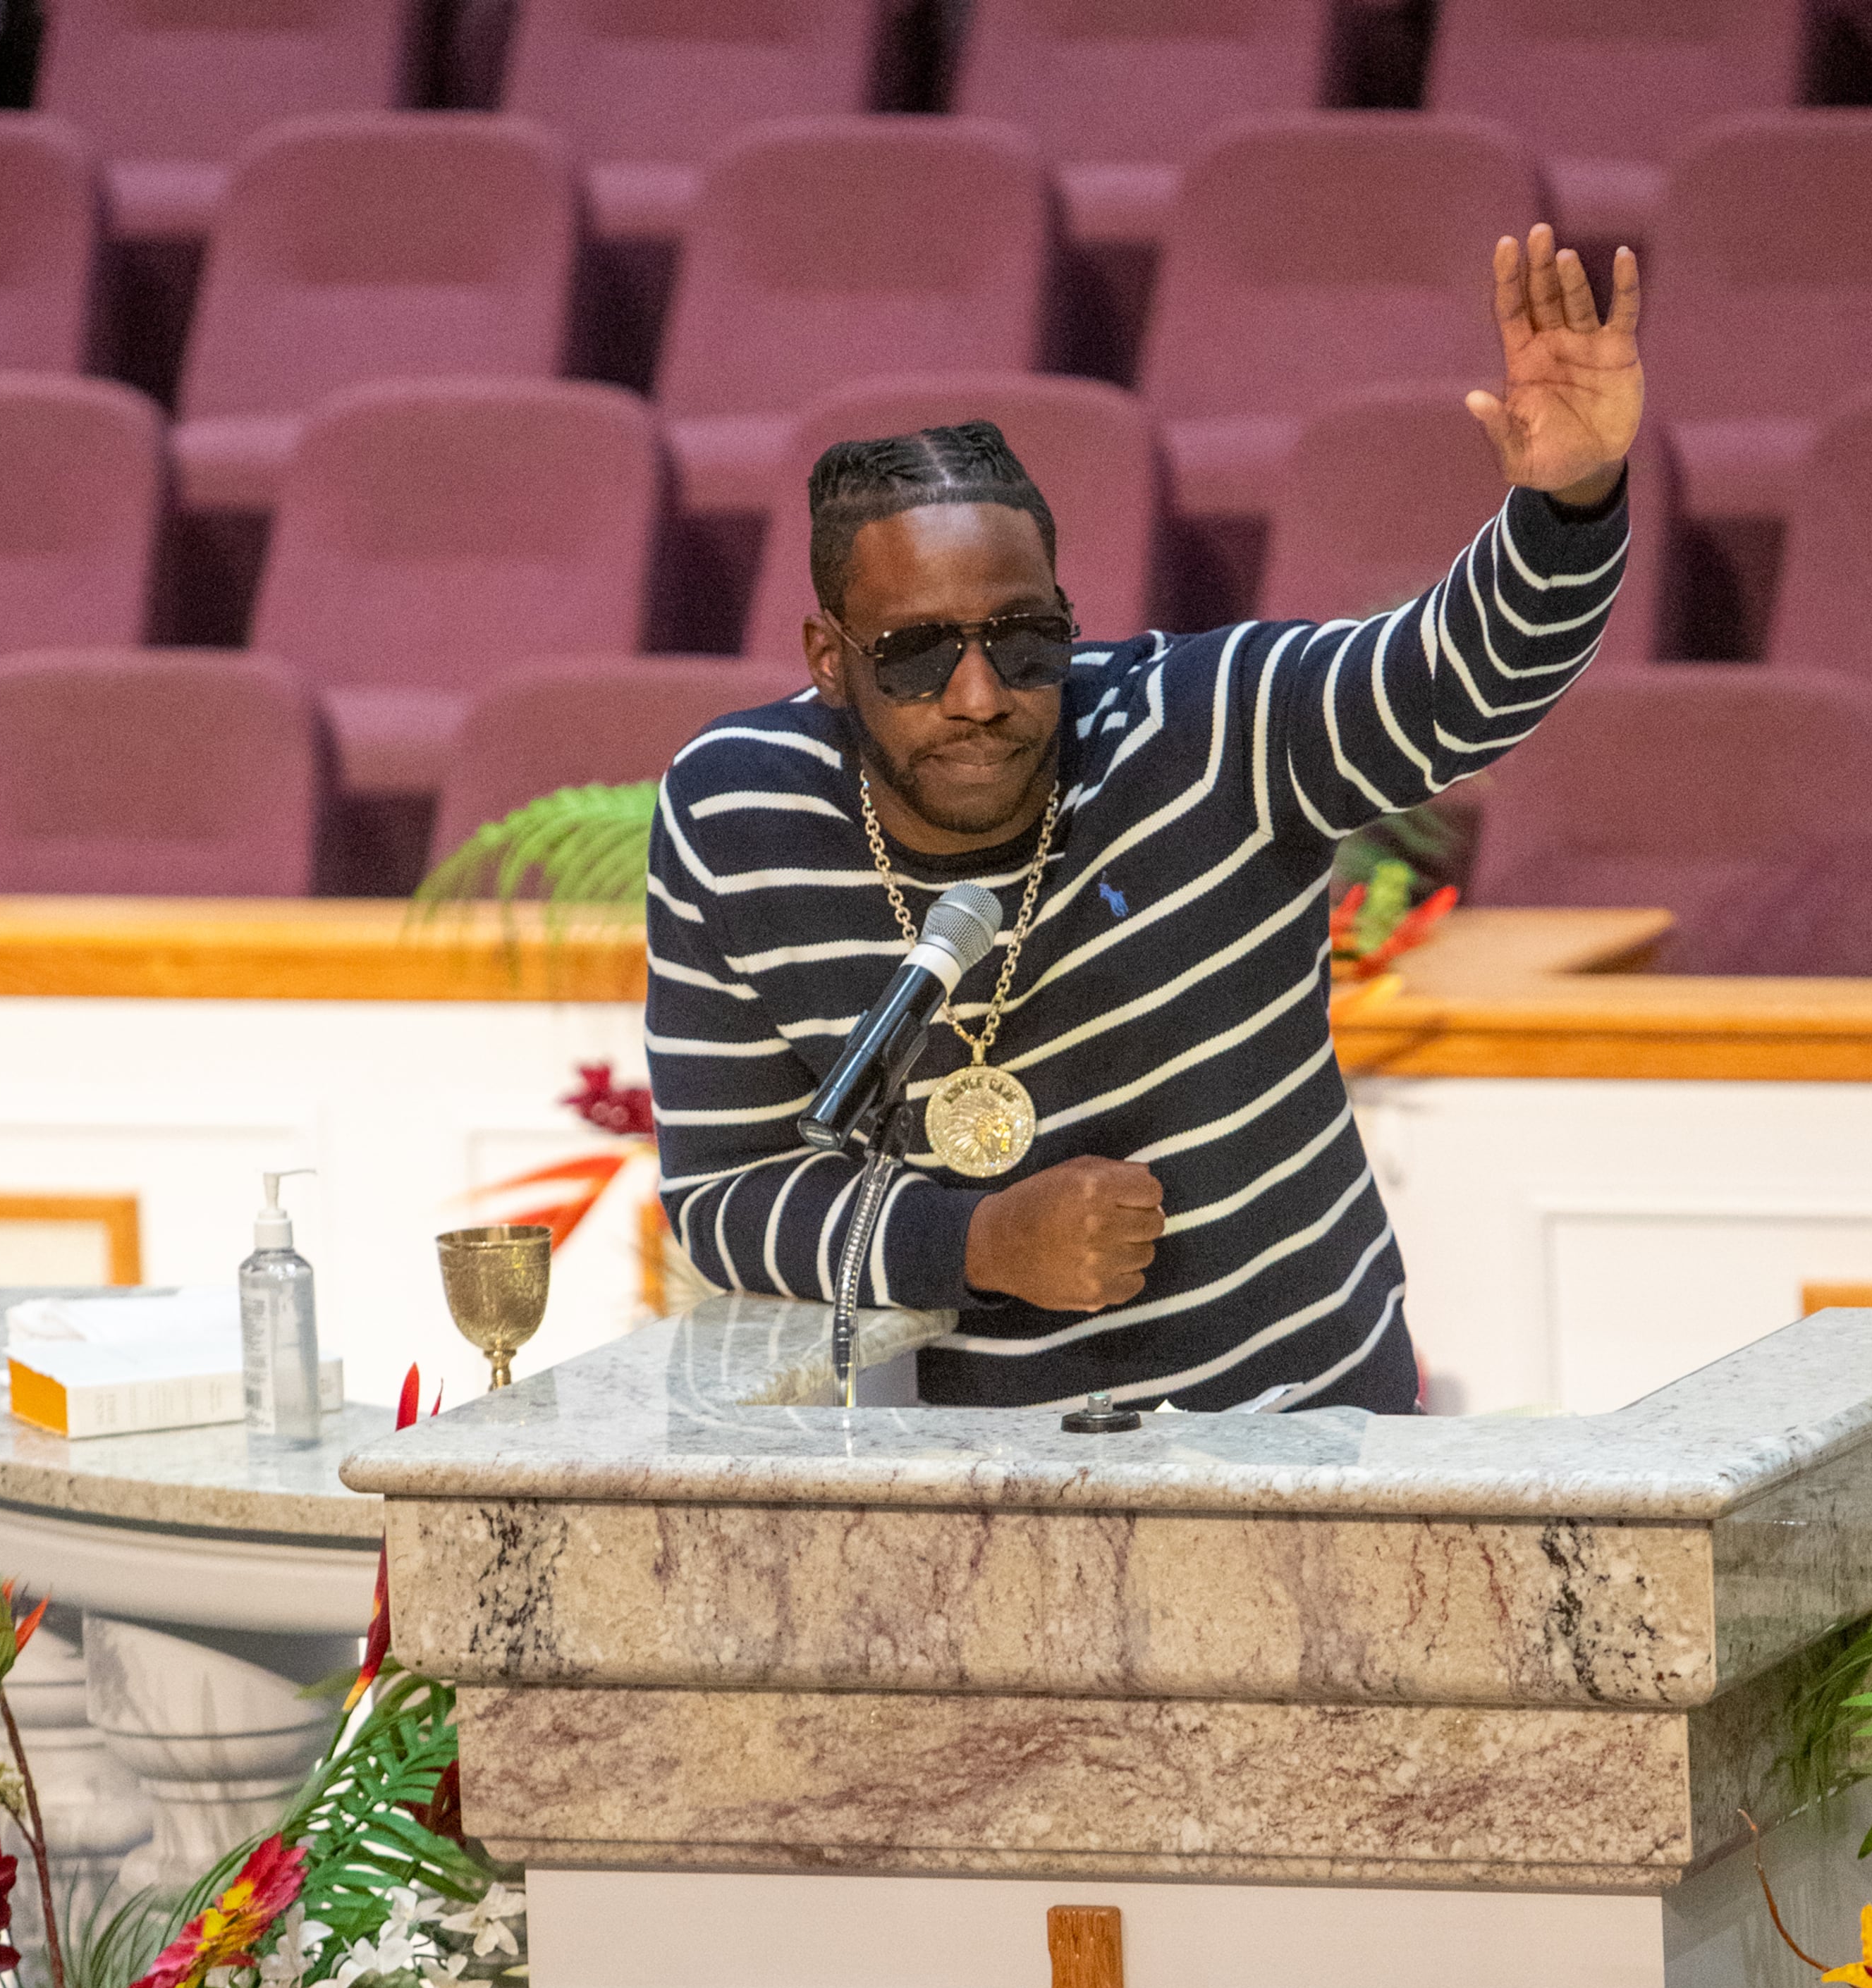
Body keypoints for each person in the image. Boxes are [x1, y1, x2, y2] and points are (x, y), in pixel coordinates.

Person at [647, 227, 1643, 1413]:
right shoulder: (735, 813)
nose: (980, 697)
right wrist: (977, 1241)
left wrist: (1567, 507)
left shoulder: (1203, 726)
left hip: (1304, 1430)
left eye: (1023, 641)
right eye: (915, 655)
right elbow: (727, 1195)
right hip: (983, 1477)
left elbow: (1456, 681)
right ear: (828, 656)